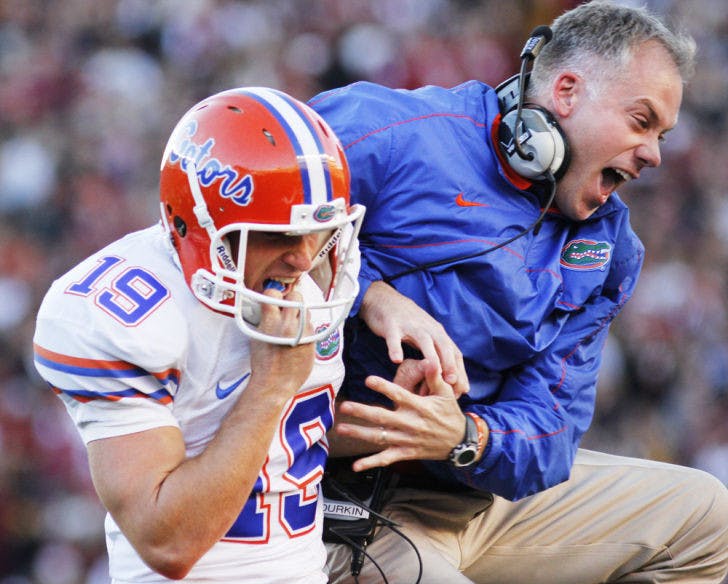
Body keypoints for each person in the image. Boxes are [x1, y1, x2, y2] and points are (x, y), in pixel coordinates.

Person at [309, 2, 728, 583]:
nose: (655, 154)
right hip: (342, 498)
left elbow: (552, 429)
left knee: (708, 514)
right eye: (641, 121)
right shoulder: (387, 130)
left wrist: (463, 436)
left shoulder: (610, 248)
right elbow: (226, 232)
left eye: (662, 133)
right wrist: (366, 292)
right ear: (566, 91)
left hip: (473, 494)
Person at [32, 87, 365, 583]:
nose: (302, 259)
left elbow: (297, 444)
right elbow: (168, 543)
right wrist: (271, 387)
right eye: (276, 234)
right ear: (200, 225)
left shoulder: (316, 271)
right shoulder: (123, 312)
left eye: (317, 233)